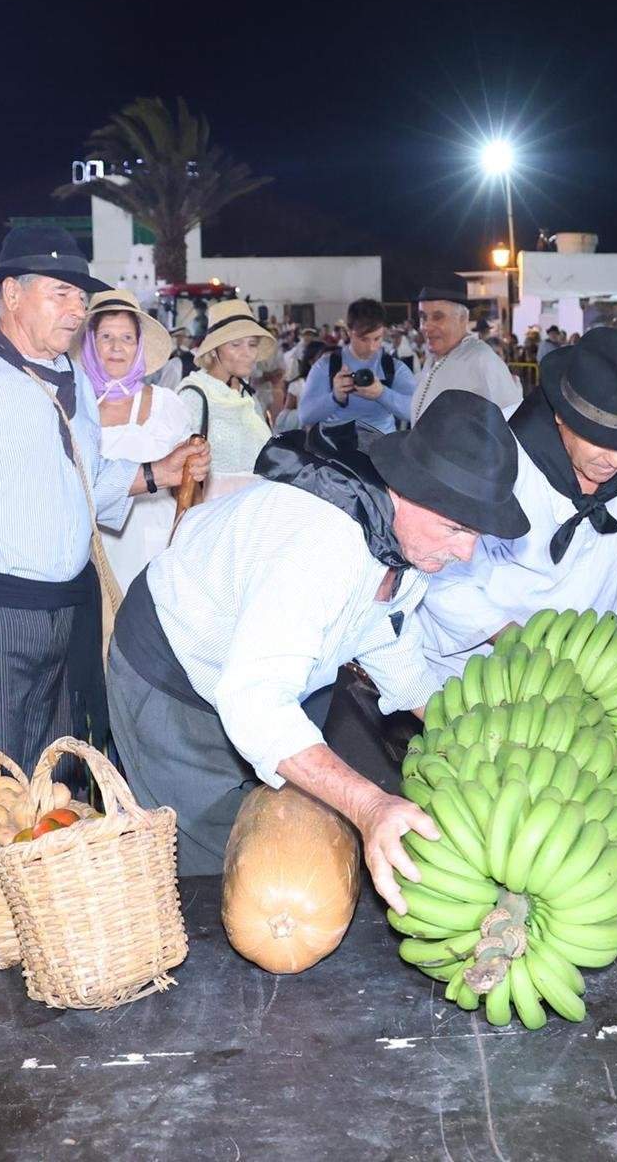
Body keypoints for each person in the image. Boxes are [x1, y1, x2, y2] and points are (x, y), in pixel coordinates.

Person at [106, 391, 529, 897]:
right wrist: (370, 806)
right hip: (174, 665)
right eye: (456, 528)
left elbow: (385, 633)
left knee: (279, 814)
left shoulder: (405, 539)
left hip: (259, 664)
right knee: (212, 859)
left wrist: (462, 733)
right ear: (407, 491)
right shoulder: (320, 548)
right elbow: (256, 703)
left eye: (475, 532)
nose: (466, 551)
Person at [0, 226, 207, 785]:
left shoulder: (72, 377)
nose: (78, 311)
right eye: (61, 294)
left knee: (52, 788)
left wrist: (156, 474)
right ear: (11, 294)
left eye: (82, 297)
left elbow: (80, 485)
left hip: (67, 614)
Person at [415, 327, 617, 680]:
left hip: (591, 657)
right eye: (601, 441)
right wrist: (520, 643)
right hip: (478, 655)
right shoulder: (492, 451)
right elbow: (440, 571)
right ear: (561, 413)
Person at [83, 288, 192, 591]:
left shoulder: (166, 404)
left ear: (139, 345)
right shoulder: (74, 407)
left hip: (156, 551)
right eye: (106, 337)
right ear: (91, 344)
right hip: (92, 555)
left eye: (127, 338)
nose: (116, 347)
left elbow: (190, 487)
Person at [177, 299, 277, 490]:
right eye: (236, 344)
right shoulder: (195, 396)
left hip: (258, 509)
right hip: (214, 512)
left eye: (252, 344)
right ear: (214, 350)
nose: (248, 353)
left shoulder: (248, 397)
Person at [297, 298, 417, 432]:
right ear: (349, 332)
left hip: (381, 447)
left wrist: (382, 393)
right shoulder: (326, 366)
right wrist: (334, 398)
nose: (372, 347)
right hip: (335, 447)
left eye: (377, 338)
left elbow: (414, 411)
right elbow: (304, 416)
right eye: (363, 339)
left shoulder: (394, 368)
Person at [408, 283, 521, 422]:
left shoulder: (482, 359)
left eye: (438, 317)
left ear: (463, 319)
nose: (426, 326)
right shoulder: (433, 358)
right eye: (423, 317)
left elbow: (515, 420)